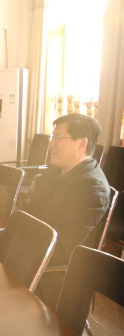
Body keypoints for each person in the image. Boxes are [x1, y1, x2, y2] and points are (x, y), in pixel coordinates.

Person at [25, 113, 110, 306]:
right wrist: (6, 240)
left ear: (82, 143)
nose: (51, 144)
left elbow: (61, 247)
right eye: (52, 137)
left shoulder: (91, 187)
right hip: (33, 259)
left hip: (52, 276)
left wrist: (15, 251)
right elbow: (27, 216)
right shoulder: (53, 174)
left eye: (58, 138)